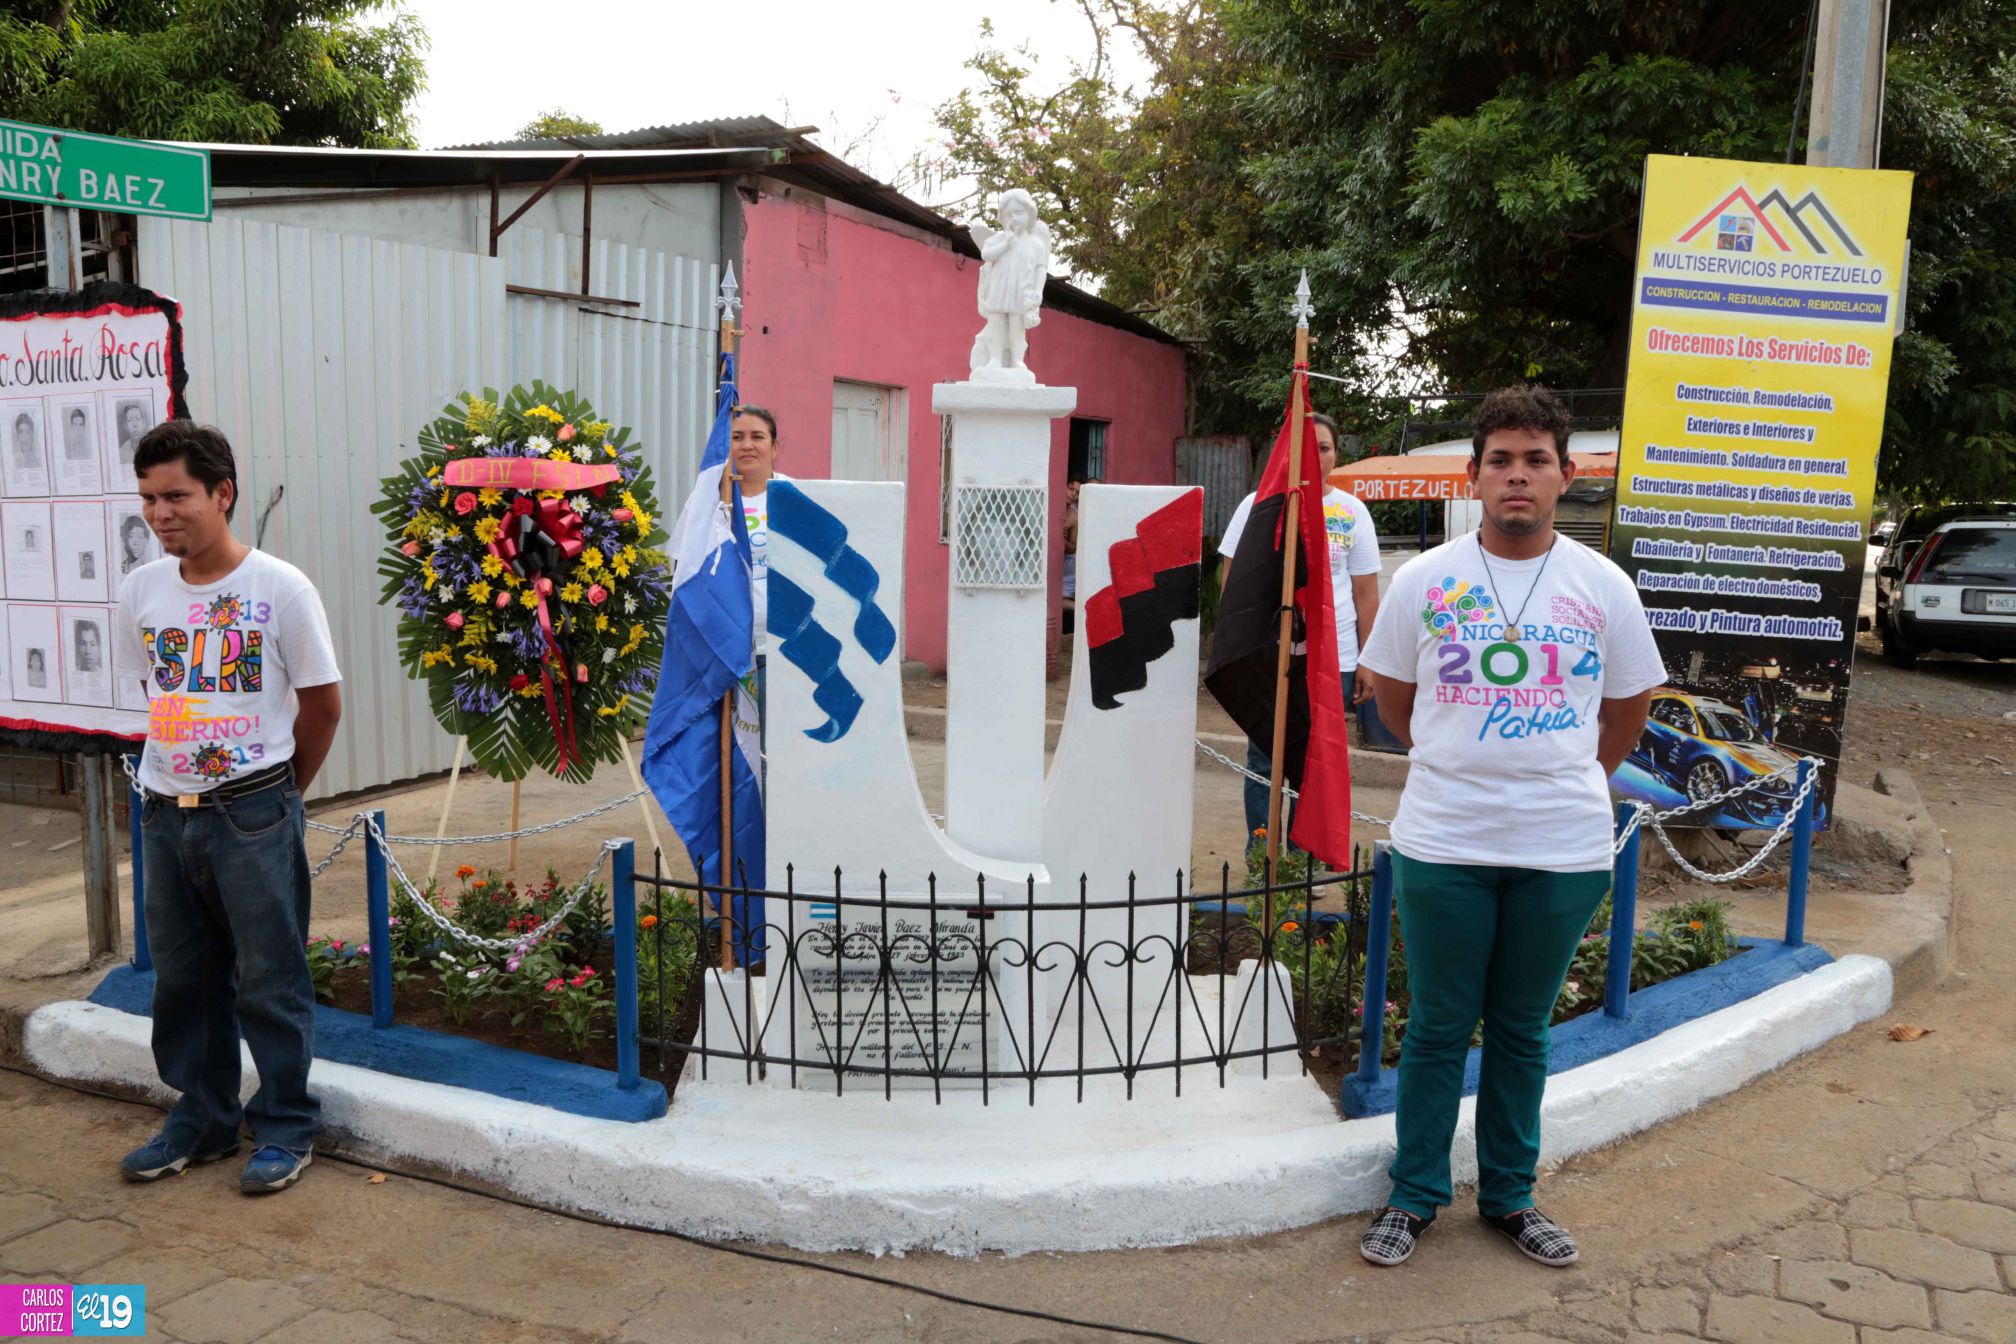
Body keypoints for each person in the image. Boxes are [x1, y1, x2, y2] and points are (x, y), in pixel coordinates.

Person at [1355, 385, 1664, 1269]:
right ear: (1474, 476)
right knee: (1439, 1025)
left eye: (1536, 460)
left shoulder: (1602, 585)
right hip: (1445, 837)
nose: (1518, 477)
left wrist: (1563, 777)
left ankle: (1509, 1197)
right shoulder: (1426, 579)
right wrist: (1466, 759)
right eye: (1502, 461)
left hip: (1560, 847)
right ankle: (1414, 1195)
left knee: (1523, 1029)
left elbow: (1627, 706)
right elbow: (1395, 703)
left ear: (1566, 475)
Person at [112, 420, 343, 1196]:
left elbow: (322, 706)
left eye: (176, 495)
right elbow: (158, 693)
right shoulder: (140, 591)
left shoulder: (280, 588)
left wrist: (280, 794)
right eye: (148, 498)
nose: (160, 513)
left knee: (268, 978)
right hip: (163, 812)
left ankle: (283, 1125)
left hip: (253, 813)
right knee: (182, 976)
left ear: (223, 493)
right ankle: (202, 1117)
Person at [1217, 411, 1381, 838]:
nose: (1315, 456)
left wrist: (1368, 659)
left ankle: (1300, 864)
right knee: (1264, 757)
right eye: (1306, 448)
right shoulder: (1259, 506)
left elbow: (1365, 593)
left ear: (1335, 455)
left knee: (1314, 759)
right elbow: (1233, 583)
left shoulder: (1352, 512)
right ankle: (1263, 859)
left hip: (1335, 657)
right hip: (1270, 655)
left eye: (1324, 448)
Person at [1061, 476, 1084, 634]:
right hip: (1072, 561)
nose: (1073, 494)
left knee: (1056, 598)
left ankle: (1082, 610)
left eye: (1077, 492)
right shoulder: (1068, 509)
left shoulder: (1072, 512)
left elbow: (1070, 548)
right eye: (1071, 489)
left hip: (1070, 561)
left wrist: (1058, 539)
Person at [117, 401, 149, 470]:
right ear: (126, 426)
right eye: (130, 420)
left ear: (143, 422)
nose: (134, 425)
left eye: (137, 419)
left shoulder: (154, 446)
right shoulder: (122, 453)